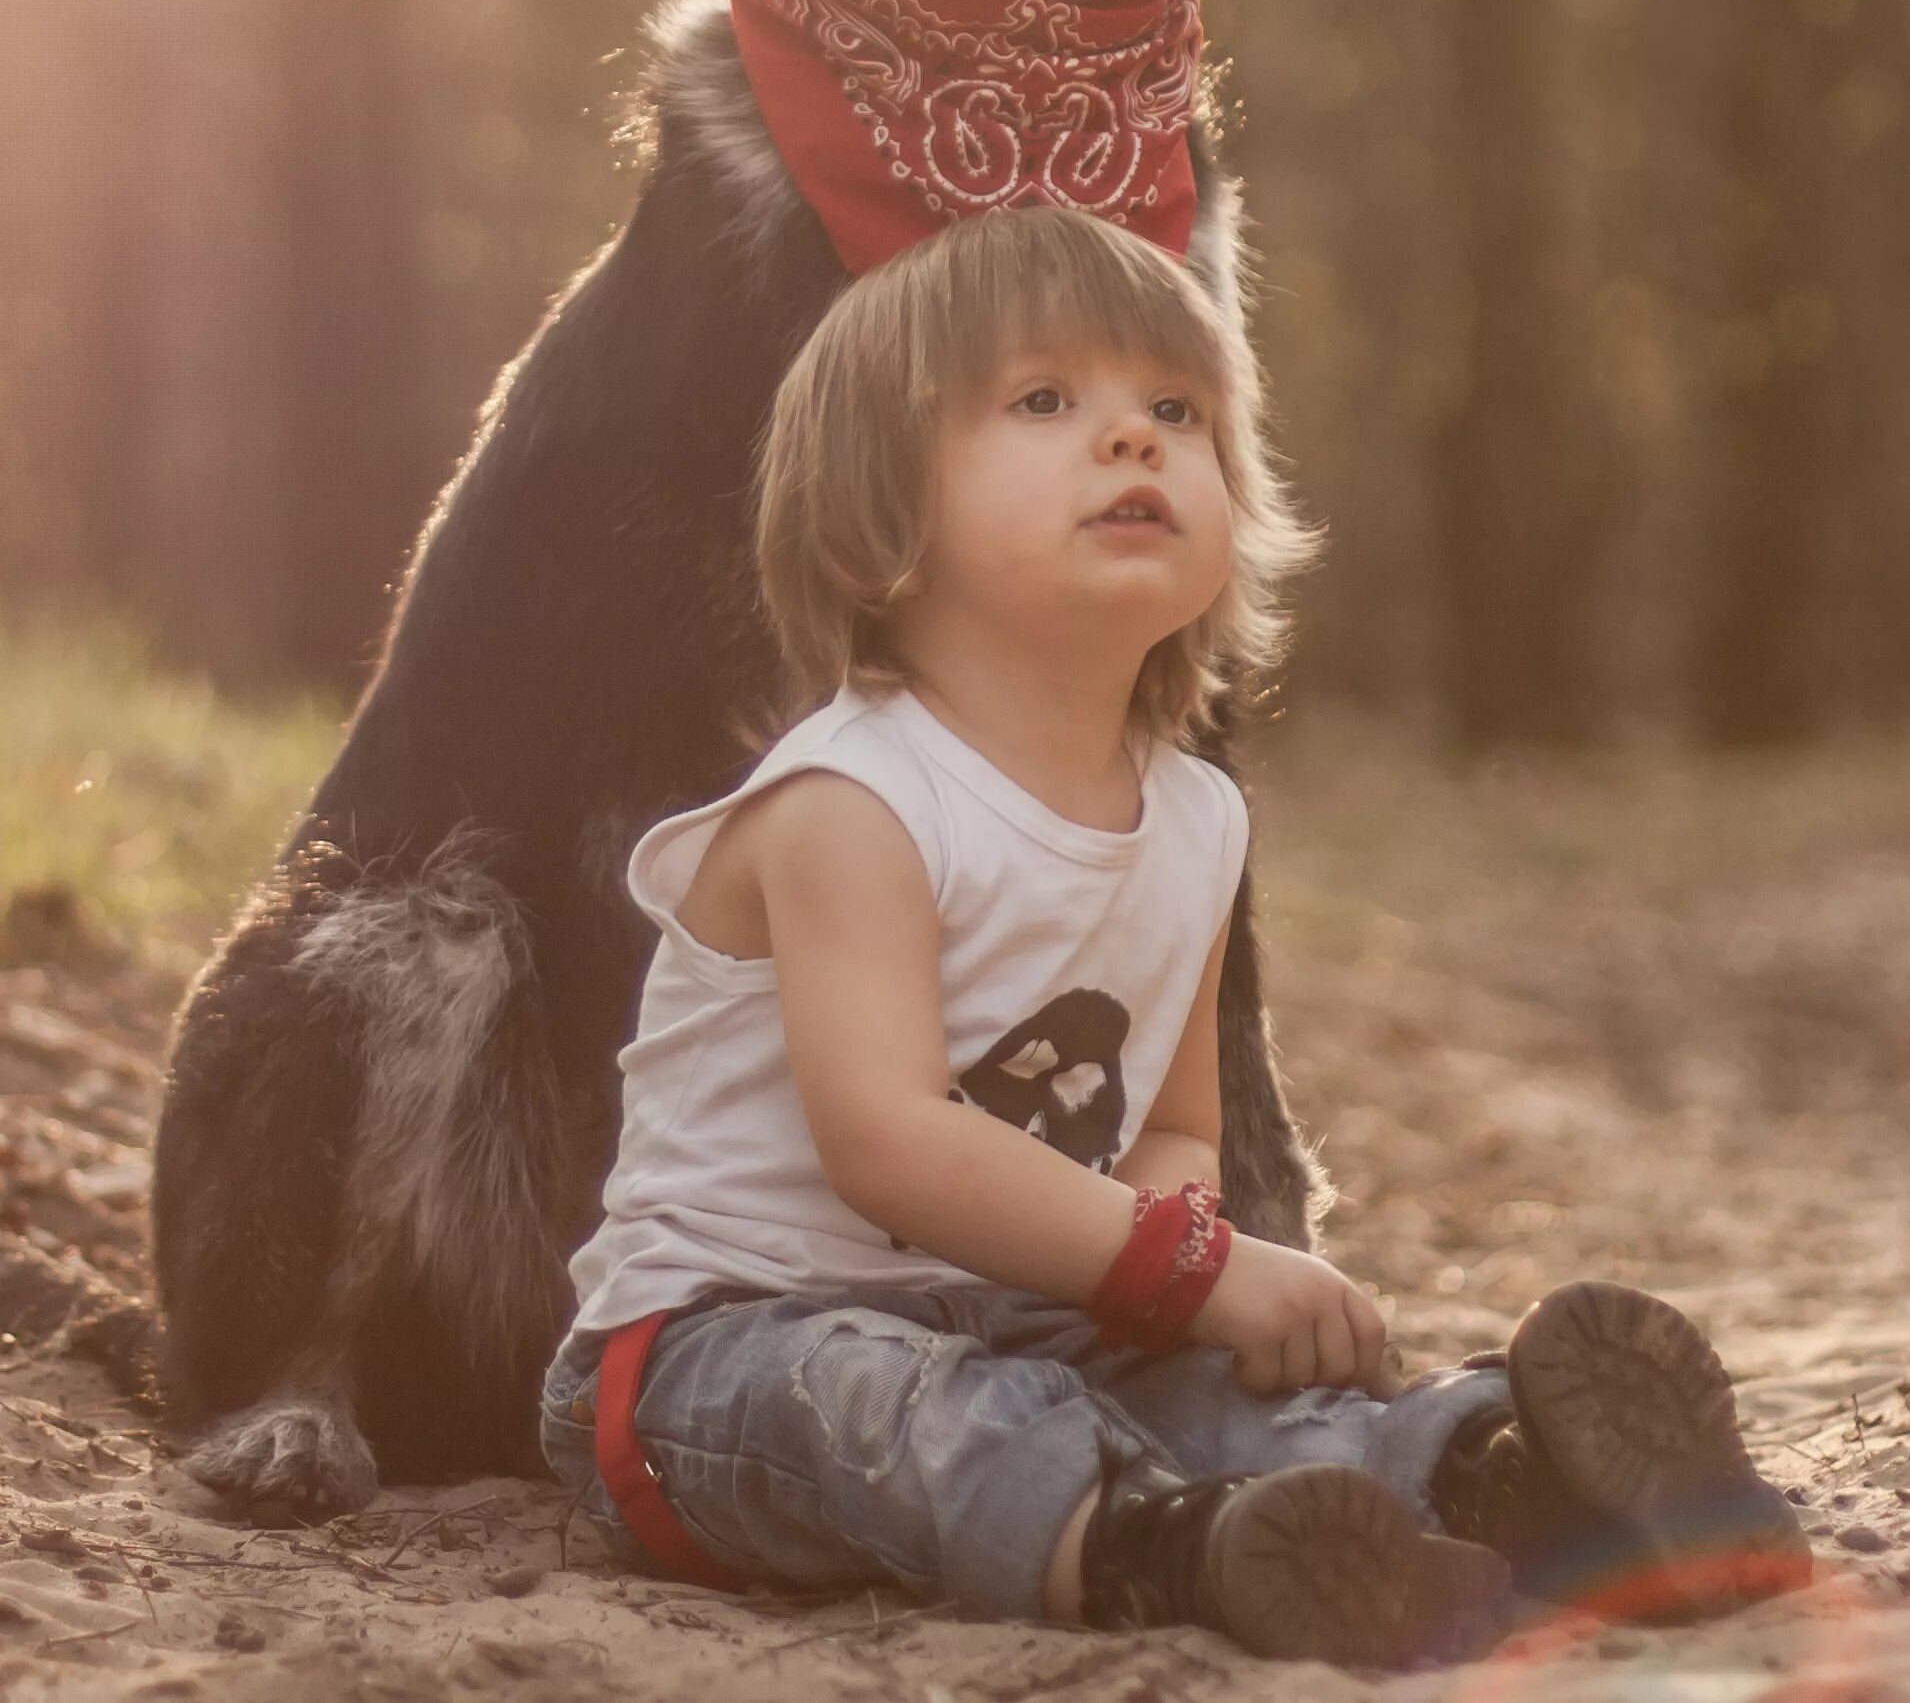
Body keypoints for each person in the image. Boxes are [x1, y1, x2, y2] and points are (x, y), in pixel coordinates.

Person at [541, 207, 1808, 1664]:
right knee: (902, 1409)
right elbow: (887, 1142)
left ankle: (1514, 1481)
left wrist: (1192, 1265)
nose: (1133, 440)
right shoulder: (852, 804)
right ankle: (1168, 1551)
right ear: (876, 504)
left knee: (1214, 1401)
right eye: (1042, 401)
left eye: (1175, 410)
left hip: (1039, 1321)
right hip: (713, 1360)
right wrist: (1193, 1276)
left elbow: (1171, 1132)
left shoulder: (1194, 821)